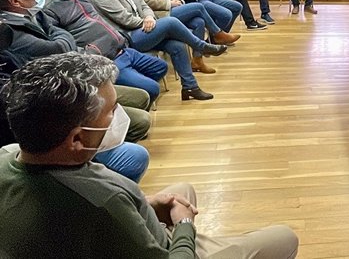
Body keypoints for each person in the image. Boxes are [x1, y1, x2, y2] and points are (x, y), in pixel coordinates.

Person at [0, 53, 299, 258]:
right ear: (77, 138)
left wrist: (143, 204)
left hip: (99, 233)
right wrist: (183, 227)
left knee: (182, 190)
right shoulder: (104, 203)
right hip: (166, 248)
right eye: (111, 111)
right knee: (284, 237)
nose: (119, 115)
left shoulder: (9, 155)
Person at [0, 0, 150, 180]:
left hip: (80, 78)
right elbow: (59, 47)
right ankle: (92, 174)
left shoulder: (32, 14)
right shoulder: (9, 33)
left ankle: (100, 164)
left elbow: (61, 37)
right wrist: (61, 40)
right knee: (136, 142)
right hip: (61, 104)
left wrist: (61, 40)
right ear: (15, 1)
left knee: (137, 106)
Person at [89, 0, 226, 101]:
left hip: (144, 28)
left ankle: (190, 87)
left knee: (177, 46)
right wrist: (147, 21)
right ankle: (201, 46)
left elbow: (143, 4)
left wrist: (149, 17)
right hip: (128, 37)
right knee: (171, 22)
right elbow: (124, 19)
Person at [38, 0, 169, 101]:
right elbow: (63, 46)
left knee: (161, 67)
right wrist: (96, 56)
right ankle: (114, 96)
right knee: (152, 88)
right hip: (105, 60)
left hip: (122, 48)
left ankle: (122, 92)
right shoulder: (49, 8)